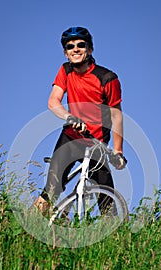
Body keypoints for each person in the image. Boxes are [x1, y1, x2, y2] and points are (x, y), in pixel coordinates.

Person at [34, 26, 126, 215]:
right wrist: (69, 117)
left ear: (90, 50)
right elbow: (53, 101)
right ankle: (31, 226)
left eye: (80, 45)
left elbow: (116, 116)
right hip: (71, 137)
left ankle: (117, 240)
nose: (75, 49)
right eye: (70, 46)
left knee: (106, 198)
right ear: (65, 53)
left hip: (96, 143)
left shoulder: (107, 78)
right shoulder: (65, 70)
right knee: (52, 187)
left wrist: (118, 151)